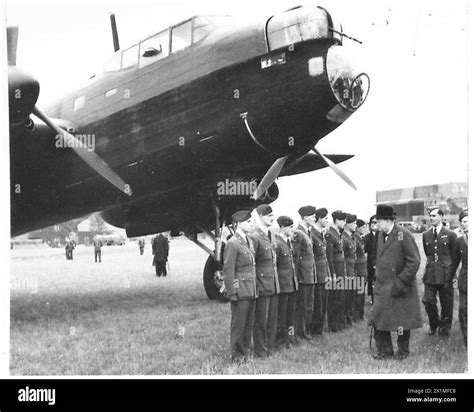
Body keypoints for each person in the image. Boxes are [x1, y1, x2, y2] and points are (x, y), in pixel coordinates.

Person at [368, 205, 422, 360]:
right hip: (382, 286)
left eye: (378, 221)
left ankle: (403, 351)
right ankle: (385, 351)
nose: (376, 225)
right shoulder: (380, 235)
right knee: (378, 319)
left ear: (387, 220)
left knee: (401, 322)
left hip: (399, 287)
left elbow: (414, 262)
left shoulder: (403, 235)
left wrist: (401, 281)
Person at [222, 210, 258, 363]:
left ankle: (245, 351)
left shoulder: (247, 241)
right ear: (239, 224)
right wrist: (232, 293)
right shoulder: (233, 243)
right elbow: (228, 270)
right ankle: (237, 356)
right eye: (249, 222)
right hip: (240, 290)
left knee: (248, 323)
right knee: (238, 325)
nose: (252, 225)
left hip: (250, 289)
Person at [249, 204, 280, 357]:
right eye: (269, 216)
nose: (272, 218)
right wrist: (255, 285)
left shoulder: (271, 234)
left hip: (273, 283)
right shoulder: (255, 236)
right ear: (261, 216)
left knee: (272, 319)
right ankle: (260, 351)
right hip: (262, 284)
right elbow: (252, 263)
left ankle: (271, 347)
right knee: (261, 319)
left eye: (273, 215)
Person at [421, 207, 457, 337]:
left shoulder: (451, 234)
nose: (431, 218)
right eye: (430, 216)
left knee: (446, 302)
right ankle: (434, 324)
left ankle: (445, 328)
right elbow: (427, 252)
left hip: (446, 273)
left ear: (441, 216)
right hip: (431, 273)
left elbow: (454, 254)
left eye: (434, 215)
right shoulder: (426, 235)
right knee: (428, 300)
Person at [292, 205, 317, 341]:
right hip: (303, 276)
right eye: (312, 216)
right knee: (301, 307)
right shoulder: (298, 233)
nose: (314, 219)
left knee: (308, 305)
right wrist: (296, 277)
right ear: (305, 217)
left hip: (309, 275)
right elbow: (295, 258)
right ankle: (299, 333)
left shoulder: (307, 232)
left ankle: (305, 332)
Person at [275, 216, 299, 348]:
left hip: (291, 284)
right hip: (283, 286)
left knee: (291, 315)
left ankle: (290, 338)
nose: (292, 229)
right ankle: (280, 341)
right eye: (289, 227)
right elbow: (276, 266)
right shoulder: (278, 244)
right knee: (282, 316)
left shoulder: (288, 242)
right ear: (282, 227)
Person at [310, 207, 330, 336]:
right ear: (319, 219)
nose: (327, 221)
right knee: (317, 304)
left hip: (323, 274)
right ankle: (315, 330)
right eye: (326, 218)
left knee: (323, 303)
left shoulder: (321, 234)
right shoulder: (312, 234)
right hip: (316, 274)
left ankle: (319, 330)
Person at [449, 209, 468, 347]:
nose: (464, 224)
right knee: (463, 310)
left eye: (466, 221)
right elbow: (454, 262)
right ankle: (467, 339)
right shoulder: (460, 241)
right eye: (462, 222)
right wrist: (449, 278)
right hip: (465, 280)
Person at [326, 210, 346, 332]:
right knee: (334, 299)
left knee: (340, 297)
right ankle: (333, 325)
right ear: (337, 221)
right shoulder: (330, 235)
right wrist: (332, 274)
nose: (344, 223)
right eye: (342, 220)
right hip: (335, 273)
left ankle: (339, 323)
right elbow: (329, 256)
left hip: (340, 271)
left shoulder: (337, 234)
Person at [342, 213, 357, 326]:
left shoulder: (351, 237)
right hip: (347, 271)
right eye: (353, 223)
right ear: (347, 224)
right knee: (346, 297)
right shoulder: (343, 238)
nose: (355, 225)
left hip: (353, 270)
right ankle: (346, 318)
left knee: (352, 295)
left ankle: (350, 317)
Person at [353, 219, 368, 321]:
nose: (364, 229)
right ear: (357, 228)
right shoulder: (355, 239)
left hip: (363, 269)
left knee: (361, 294)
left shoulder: (361, 238)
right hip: (358, 270)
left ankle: (360, 314)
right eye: (362, 227)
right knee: (358, 294)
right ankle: (357, 315)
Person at [364, 216, 378, 304]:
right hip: (370, 262)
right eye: (372, 223)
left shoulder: (382, 236)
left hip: (379, 261)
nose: (373, 225)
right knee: (371, 280)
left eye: (375, 223)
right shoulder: (367, 237)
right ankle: (373, 298)